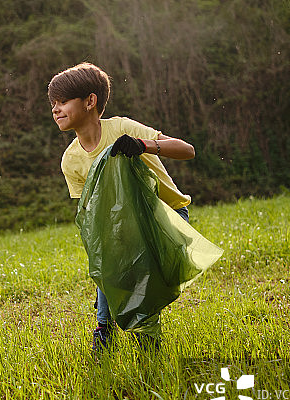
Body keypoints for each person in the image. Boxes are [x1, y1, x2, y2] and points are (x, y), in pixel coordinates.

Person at [48, 62, 196, 353]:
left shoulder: (122, 128)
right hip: (121, 228)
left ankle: (144, 336)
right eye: (53, 103)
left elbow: (187, 150)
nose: (55, 109)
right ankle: (104, 328)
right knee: (109, 257)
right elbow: (92, 218)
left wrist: (142, 145)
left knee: (139, 271)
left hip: (166, 217)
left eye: (63, 101)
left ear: (90, 101)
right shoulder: (71, 160)